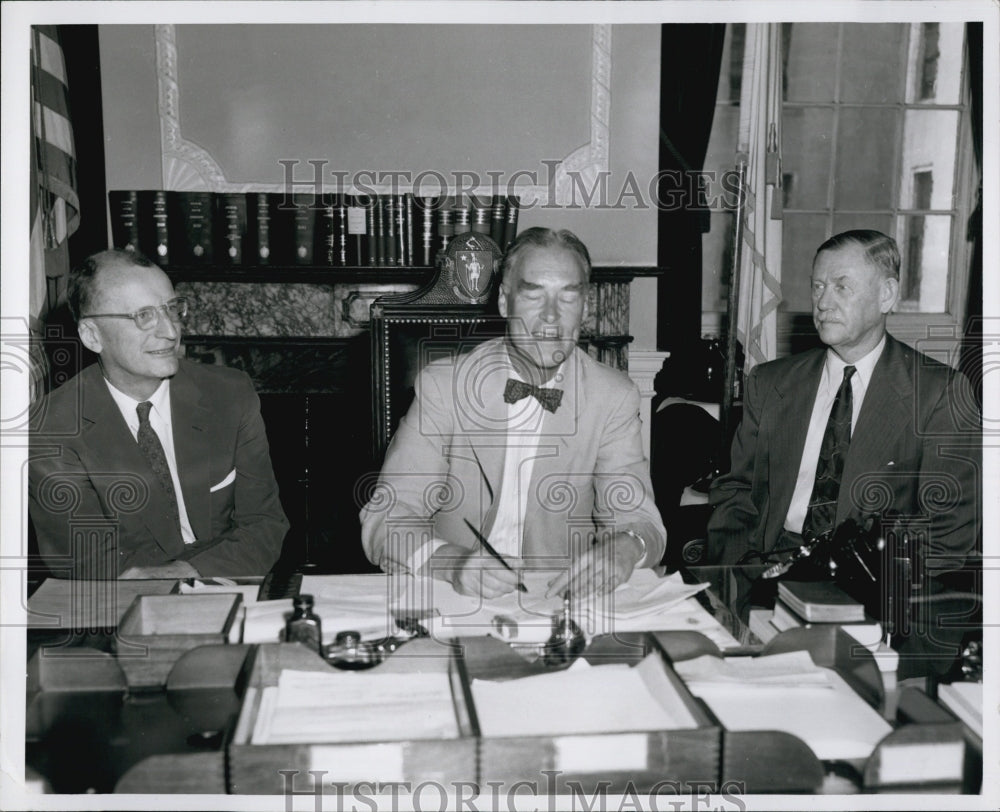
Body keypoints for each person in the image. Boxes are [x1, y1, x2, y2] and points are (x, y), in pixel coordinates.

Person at [705, 230, 980, 675]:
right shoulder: (771, 383)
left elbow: (950, 533)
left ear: (887, 294)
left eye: (842, 286)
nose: (823, 301)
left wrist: (858, 587)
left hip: (874, 600)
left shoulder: (939, 393)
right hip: (765, 583)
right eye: (817, 286)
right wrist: (740, 578)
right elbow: (736, 493)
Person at [361, 227, 666, 598]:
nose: (551, 317)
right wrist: (453, 564)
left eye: (568, 298)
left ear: (585, 309)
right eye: (533, 295)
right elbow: (386, 518)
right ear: (505, 302)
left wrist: (625, 546)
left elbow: (641, 521)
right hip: (452, 595)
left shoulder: (612, 397)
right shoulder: (445, 387)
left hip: (558, 600)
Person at [29, 249, 289, 579]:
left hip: (229, 581)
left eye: (172, 309)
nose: (169, 331)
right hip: (123, 609)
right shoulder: (52, 428)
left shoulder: (230, 394)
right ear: (92, 335)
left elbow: (265, 525)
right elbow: (87, 563)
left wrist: (187, 572)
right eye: (144, 316)